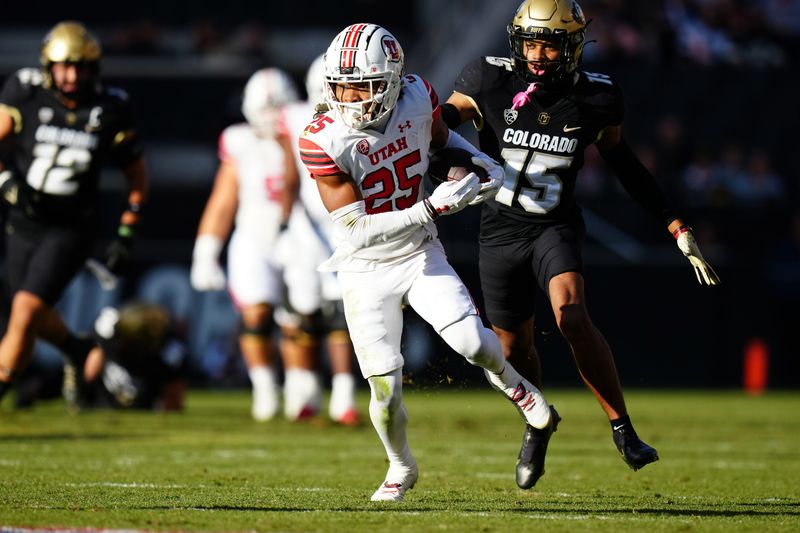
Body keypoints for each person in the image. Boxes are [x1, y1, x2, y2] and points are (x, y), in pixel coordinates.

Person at [441, 0, 721, 487]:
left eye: (548, 43)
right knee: (512, 348)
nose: (537, 54)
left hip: (555, 227)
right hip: (500, 230)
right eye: (530, 42)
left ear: (571, 47)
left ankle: (623, 429)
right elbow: (440, 124)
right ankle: (537, 423)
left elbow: (626, 165)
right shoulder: (488, 79)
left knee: (571, 314)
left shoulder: (596, 98)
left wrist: (674, 224)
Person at [298, 23, 555, 502]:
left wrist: (482, 163)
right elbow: (354, 229)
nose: (350, 97)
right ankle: (400, 465)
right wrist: (431, 206)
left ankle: (523, 393)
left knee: (472, 343)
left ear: (394, 81)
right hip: (364, 267)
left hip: (418, 250)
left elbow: (442, 144)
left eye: (363, 86)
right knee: (385, 392)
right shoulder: (323, 139)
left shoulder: (417, 98)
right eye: (341, 85)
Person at [0, 21, 149, 407]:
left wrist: (126, 233)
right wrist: (4, 180)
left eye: (80, 67)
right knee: (29, 311)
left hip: (71, 228)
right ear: (48, 67)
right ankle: (77, 348)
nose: (70, 76)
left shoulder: (110, 108)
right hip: (24, 222)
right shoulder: (25, 92)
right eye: (63, 66)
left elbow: (137, 179)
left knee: (25, 308)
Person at [190, 67, 301, 421]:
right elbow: (223, 199)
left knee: (298, 317)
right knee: (255, 312)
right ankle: (265, 386)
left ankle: (302, 388)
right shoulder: (239, 141)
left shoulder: (308, 136)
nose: (269, 118)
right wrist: (206, 250)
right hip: (253, 234)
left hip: (298, 232)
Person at [279, 54, 360, 425]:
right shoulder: (295, 117)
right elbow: (288, 174)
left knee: (341, 313)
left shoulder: (357, 120)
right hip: (306, 226)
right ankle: (304, 391)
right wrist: (283, 225)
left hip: (343, 222)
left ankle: (343, 396)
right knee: (304, 311)